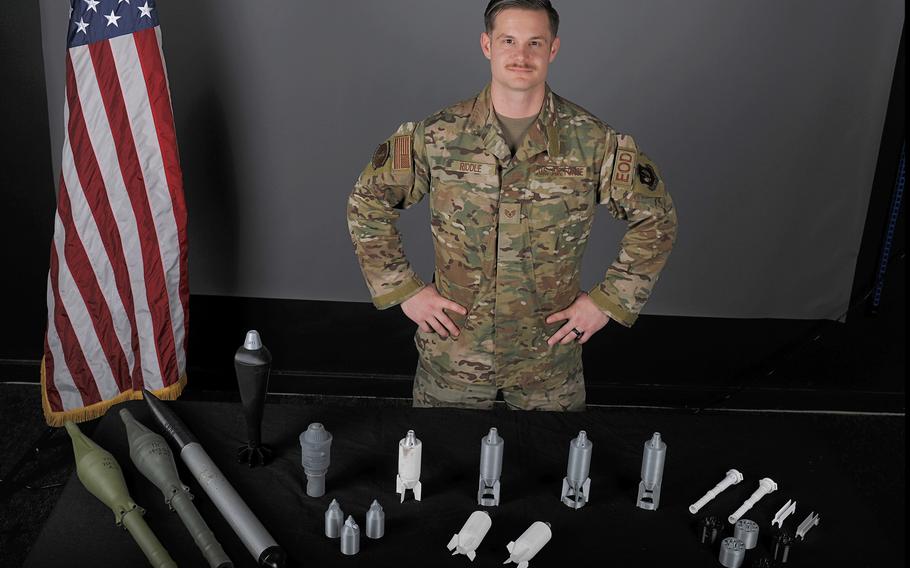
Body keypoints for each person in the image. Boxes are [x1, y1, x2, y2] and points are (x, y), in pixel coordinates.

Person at [347, 0, 677, 411]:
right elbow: (368, 201)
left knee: (556, 468)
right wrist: (403, 290)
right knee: (441, 464)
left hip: (549, 363)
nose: (521, 55)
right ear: (487, 45)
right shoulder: (437, 135)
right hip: (454, 355)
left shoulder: (593, 142)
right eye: (508, 40)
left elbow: (656, 219)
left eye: (534, 43)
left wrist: (609, 301)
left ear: (552, 49)